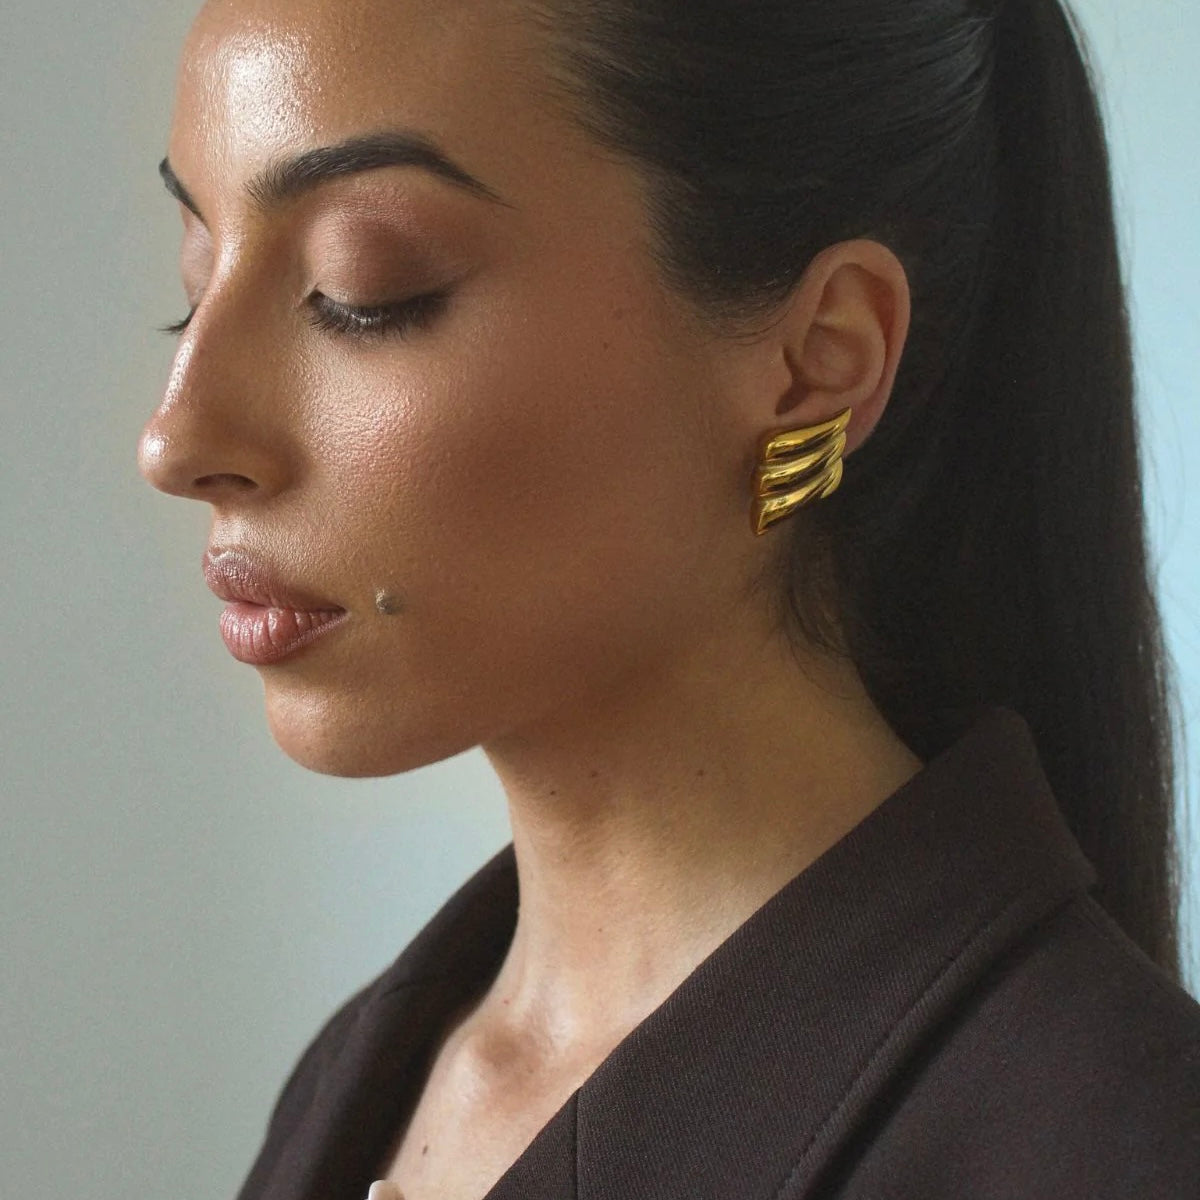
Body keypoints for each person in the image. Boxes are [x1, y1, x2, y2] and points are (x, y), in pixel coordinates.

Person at [137, 0, 1200, 1197]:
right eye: (195, 276)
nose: (177, 438)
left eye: (363, 290)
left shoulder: (1108, 1146)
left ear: (821, 356)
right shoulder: (363, 1082)